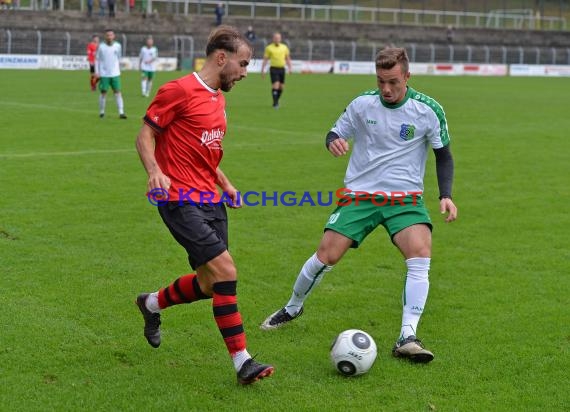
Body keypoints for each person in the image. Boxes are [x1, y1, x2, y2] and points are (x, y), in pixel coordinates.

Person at [261, 47, 458, 364]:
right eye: (381, 81)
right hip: (360, 195)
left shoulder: (428, 110)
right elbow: (335, 130)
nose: (386, 89)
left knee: (420, 253)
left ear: (407, 76)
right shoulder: (362, 104)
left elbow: (443, 155)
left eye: (393, 81)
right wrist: (332, 140)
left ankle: (408, 336)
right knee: (327, 254)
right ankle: (292, 307)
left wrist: (445, 194)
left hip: (405, 199)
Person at [134, 25, 274, 385]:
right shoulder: (178, 90)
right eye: (242, 64)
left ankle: (150, 304)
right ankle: (243, 361)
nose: (245, 73)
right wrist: (154, 172)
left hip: (211, 199)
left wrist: (224, 182)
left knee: (211, 284)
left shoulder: (218, 97)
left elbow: (204, 152)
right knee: (227, 271)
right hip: (178, 198)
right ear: (222, 57)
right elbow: (145, 135)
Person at [95, 29, 126, 119]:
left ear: (114, 36)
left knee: (118, 92)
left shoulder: (118, 46)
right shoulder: (101, 47)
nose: (109, 37)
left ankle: (121, 112)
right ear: (105, 36)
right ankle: (101, 112)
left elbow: (119, 58)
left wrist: (119, 69)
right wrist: (97, 72)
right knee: (103, 92)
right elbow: (97, 59)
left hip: (115, 73)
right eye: (107, 35)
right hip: (104, 74)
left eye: (111, 35)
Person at [260, 32, 292, 108]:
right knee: (276, 85)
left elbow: (287, 58)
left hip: (282, 69)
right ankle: (275, 103)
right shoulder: (269, 48)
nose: (277, 39)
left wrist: (290, 67)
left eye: (278, 38)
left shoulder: (284, 47)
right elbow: (265, 59)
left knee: (281, 87)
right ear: (273, 39)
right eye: (276, 38)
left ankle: (276, 100)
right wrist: (263, 70)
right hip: (274, 69)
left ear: (280, 39)